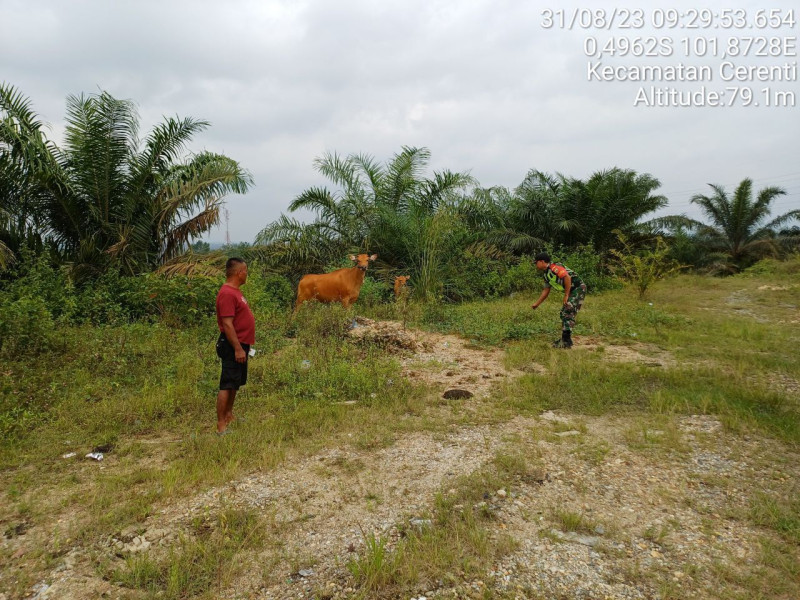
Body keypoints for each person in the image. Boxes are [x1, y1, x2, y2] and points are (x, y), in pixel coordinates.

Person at [215, 257, 255, 434]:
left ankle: (229, 415)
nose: (247, 274)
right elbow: (227, 324)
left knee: (234, 383)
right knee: (227, 383)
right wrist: (238, 348)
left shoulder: (235, 291)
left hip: (242, 344)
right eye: (245, 271)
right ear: (240, 273)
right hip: (233, 345)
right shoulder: (227, 294)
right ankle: (221, 424)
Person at [531, 252, 587, 349]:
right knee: (564, 312)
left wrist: (566, 295)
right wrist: (537, 304)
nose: (536, 265)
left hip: (577, 288)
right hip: (572, 291)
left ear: (542, 261)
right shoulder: (546, 274)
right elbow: (546, 290)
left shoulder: (554, 267)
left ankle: (566, 341)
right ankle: (566, 339)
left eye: (536, 263)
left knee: (567, 310)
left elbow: (567, 277)